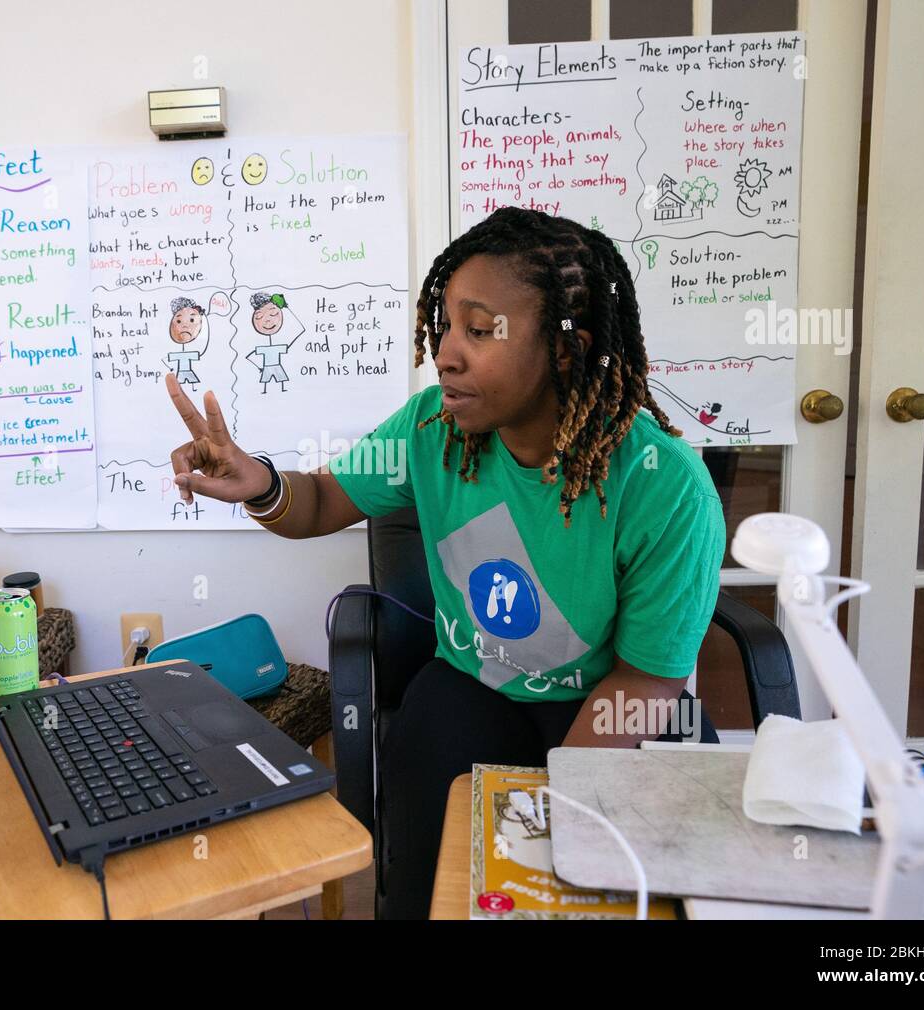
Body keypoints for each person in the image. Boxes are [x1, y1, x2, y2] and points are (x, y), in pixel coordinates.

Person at [164, 207, 725, 919]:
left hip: (607, 702)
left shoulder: (663, 484)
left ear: (565, 350)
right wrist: (263, 485)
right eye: (446, 326)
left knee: (599, 887)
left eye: (479, 329)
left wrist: (553, 817)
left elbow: (648, 678)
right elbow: (320, 501)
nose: (446, 354)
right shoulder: (431, 426)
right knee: (436, 882)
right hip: (473, 687)